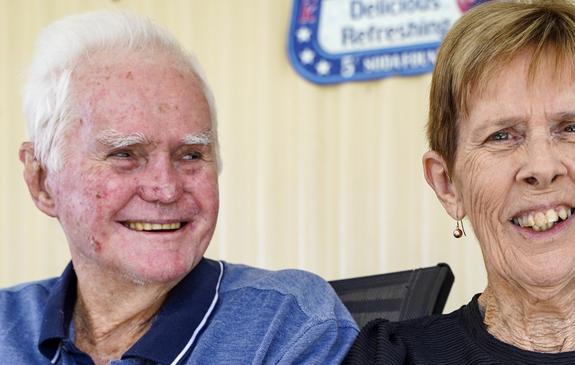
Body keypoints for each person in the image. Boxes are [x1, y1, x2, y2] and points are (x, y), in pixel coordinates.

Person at [0, 11, 358, 364]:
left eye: (190, 155)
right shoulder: (6, 324)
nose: (166, 189)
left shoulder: (289, 324)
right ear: (42, 181)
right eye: (125, 153)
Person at [345, 1, 575, 364]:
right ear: (448, 185)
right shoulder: (392, 356)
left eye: (571, 128)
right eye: (501, 136)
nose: (541, 166)